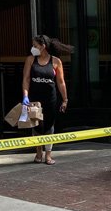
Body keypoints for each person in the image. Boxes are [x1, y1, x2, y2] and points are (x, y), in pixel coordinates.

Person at [22, 34, 73, 165]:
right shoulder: (30, 60)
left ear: (43, 47)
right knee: (36, 125)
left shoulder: (55, 61)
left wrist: (65, 99)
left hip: (50, 98)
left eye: (35, 46)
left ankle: (48, 155)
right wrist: (25, 95)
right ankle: (38, 152)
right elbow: (26, 79)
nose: (33, 48)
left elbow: (61, 82)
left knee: (49, 125)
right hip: (34, 98)